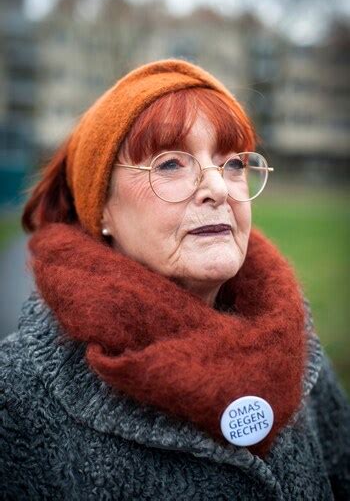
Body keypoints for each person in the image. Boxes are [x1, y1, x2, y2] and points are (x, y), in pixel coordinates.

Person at [0, 58, 349, 500]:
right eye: (169, 165)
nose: (219, 188)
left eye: (233, 163)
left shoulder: (296, 341)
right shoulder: (16, 394)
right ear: (102, 209)